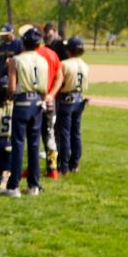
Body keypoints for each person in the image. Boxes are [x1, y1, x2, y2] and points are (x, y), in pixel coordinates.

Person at [0, 26, 50, 197]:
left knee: (18, 144)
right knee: (34, 145)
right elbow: (44, 88)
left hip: (22, 103)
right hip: (37, 102)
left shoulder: (16, 60)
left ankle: (13, 186)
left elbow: (12, 88)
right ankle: (33, 185)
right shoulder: (43, 61)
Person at [32, 24, 63, 179]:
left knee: (33, 136)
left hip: (33, 101)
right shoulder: (51, 54)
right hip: (49, 101)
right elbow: (60, 76)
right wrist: (52, 94)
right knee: (49, 135)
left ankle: (33, 169)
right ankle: (52, 169)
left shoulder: (28, 55)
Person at [55, 37, 90, 175]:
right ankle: (75, 163)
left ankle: (64, 166)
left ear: (69, 50)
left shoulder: (64, 64)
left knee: (64, 133)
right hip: (80, 99)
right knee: (76, 133)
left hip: (67, 100)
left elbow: (60, 83)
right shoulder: (86, 65)